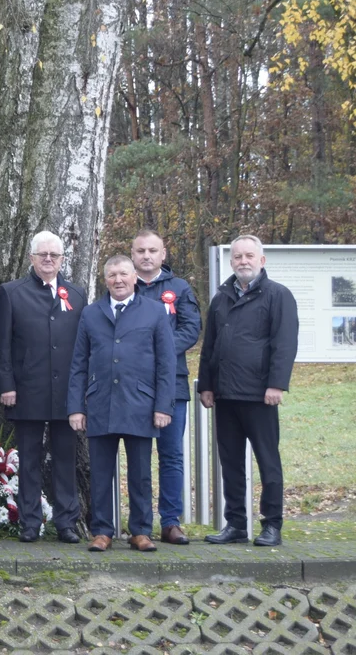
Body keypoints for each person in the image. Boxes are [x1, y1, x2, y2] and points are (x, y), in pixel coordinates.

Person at [67, 254, 175, 553]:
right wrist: (76, 407)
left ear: (134, 277)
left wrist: (163, 406)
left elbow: (166, 364)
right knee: (100, 472)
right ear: (105, 280)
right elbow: (78, 363)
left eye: (124, 274)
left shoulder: (155, 312)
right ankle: (102, 531)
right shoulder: (91, 313)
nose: (118, 280)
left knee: (140, 473)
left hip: (141, 403)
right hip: (101, 402)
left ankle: (141, 531)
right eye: (112, 275)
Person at [199, 234, 297, 547]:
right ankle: (236, 525)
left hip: (260, 396)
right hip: (225, 396)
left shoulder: (278, 295)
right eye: (238, 257)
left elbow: (284, 345)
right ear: (231, 262)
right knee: (230, 465)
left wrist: (276, 384)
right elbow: (209, 346)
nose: (243, 261)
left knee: (268, 462)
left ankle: (271, 526)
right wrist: (206, 386)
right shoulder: (221, 298)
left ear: (261, 260)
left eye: (249, 256)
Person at [0, 231, 85, 544]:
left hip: (66, 396)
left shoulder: (77, 295)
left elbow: (82, 348)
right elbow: (2, 344)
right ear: (31, 258)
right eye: (42, 254)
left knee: (65, 460)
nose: (49, 260)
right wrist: (6, 384)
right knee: (29, 462)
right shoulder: (11, 293)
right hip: (26, 390)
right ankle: (30, 523)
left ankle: (67, 523)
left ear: (62, 260)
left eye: (55, 255)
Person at [131, 230, 201, 545]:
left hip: (172, 385)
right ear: (132, 254)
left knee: (171, 455)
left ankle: (171, 522)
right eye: (141, 251)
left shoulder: (180, 288)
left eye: (152, 251)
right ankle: (141, 525)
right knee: (139, 456)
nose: (146, 256)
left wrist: (159, 349)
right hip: (133, 387)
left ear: (163, 254)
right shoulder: (122, 285)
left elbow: (191, 329)